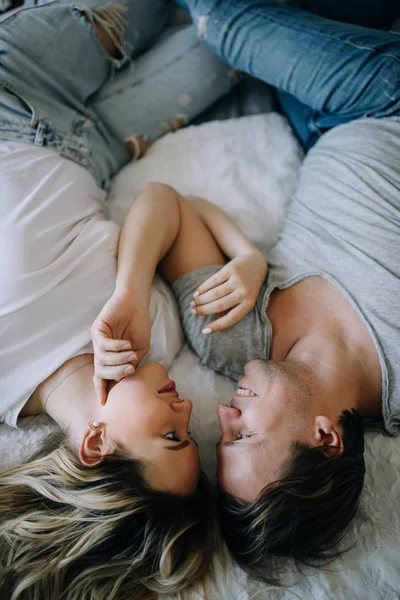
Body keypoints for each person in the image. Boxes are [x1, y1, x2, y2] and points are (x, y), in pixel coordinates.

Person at [107, 0, 398, 585]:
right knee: (224, 18)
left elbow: (168, 205)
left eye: (224, 435)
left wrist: (136, 293)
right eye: (244, 434)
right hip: (388, 99)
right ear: (326, 437)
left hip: (324, 121)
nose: (223, 412)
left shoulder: (234, 341)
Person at [0, 1, 234, 598]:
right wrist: (130, 287)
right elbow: (160, 200)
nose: (188, 413)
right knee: (231, 40)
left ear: (97, 443)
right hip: (99, 150)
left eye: (172, 436)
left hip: (15, 92)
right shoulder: (156, 337)